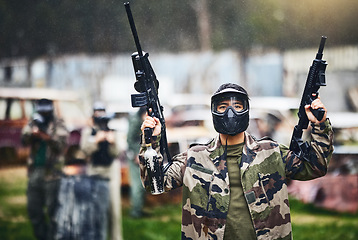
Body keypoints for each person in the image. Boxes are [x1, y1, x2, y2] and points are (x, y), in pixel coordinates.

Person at [139, 83, 334, 240]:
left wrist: (320, 125)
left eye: (237, 106)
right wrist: (151, 141)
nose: (229, 112)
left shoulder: (272, 153)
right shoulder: (194, 157)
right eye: (222, 107)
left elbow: (315, 166)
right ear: (214, 112)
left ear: (246, 111)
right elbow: (155, 183)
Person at [22, 98, 69, 240]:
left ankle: (54, 236)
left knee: (53, 211)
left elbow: (61, 146)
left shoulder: (58, 123)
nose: (43, 113)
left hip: (53, 174)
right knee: (33, 209)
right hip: (35, 171)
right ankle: (42, 237)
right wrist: (32, 133)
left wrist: (47, 136)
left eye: (46, 110)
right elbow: (23, 140)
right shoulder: (33, 121)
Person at [80, 102, 122, 240]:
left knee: (114, 210)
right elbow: (85, 150)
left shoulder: (113, 132)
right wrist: (96, 141)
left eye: (102, 112)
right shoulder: (88, 132)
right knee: (96, 210)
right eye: (97, 112)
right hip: (94, 172)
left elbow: (117, 153)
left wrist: (112, 142)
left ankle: (116, 237)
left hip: (111, 173)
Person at [126, 107, 147, 218]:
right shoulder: (135, 121)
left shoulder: (140, 119)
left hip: (141, 154)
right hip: (135, 157)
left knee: (142, 184)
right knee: (137, 185)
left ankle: (139, 209)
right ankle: (136, 212)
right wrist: (135, 155)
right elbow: (129, 140)